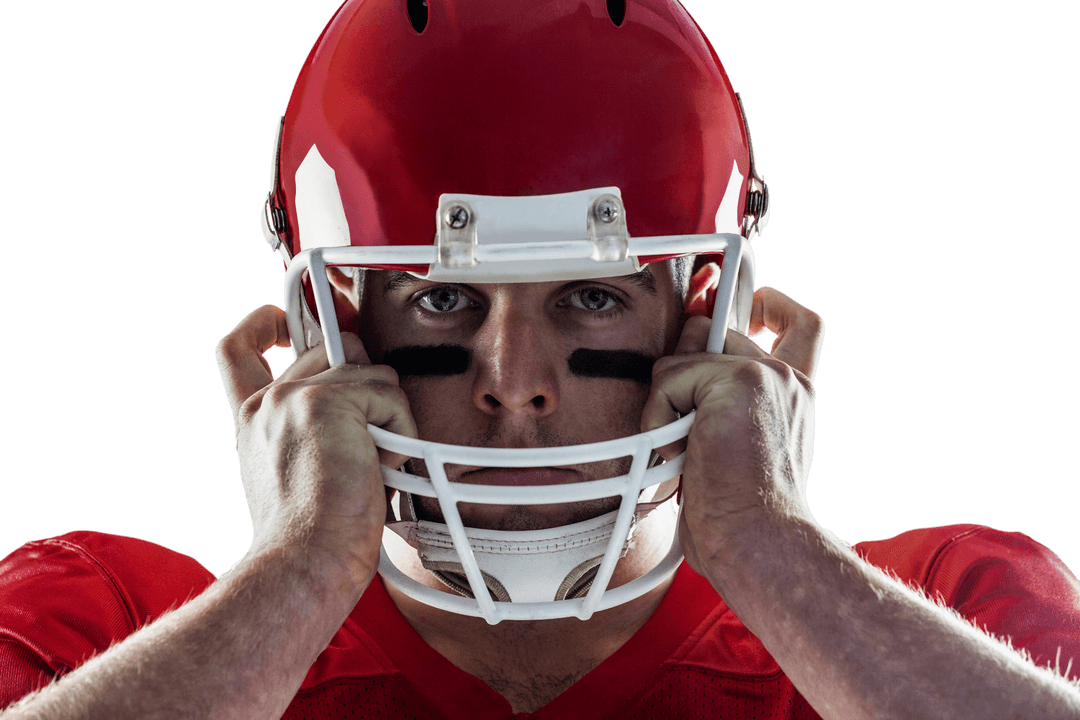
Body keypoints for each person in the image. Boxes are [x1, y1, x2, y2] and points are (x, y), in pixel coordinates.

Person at [2, 0, 1079, 718]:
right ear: (336, 328)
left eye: (594, 296)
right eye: (442, 296)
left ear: (704, 324)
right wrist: (293, 578)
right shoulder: (106, 623)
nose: (514, 380)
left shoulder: (950, 608)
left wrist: (774, 555)